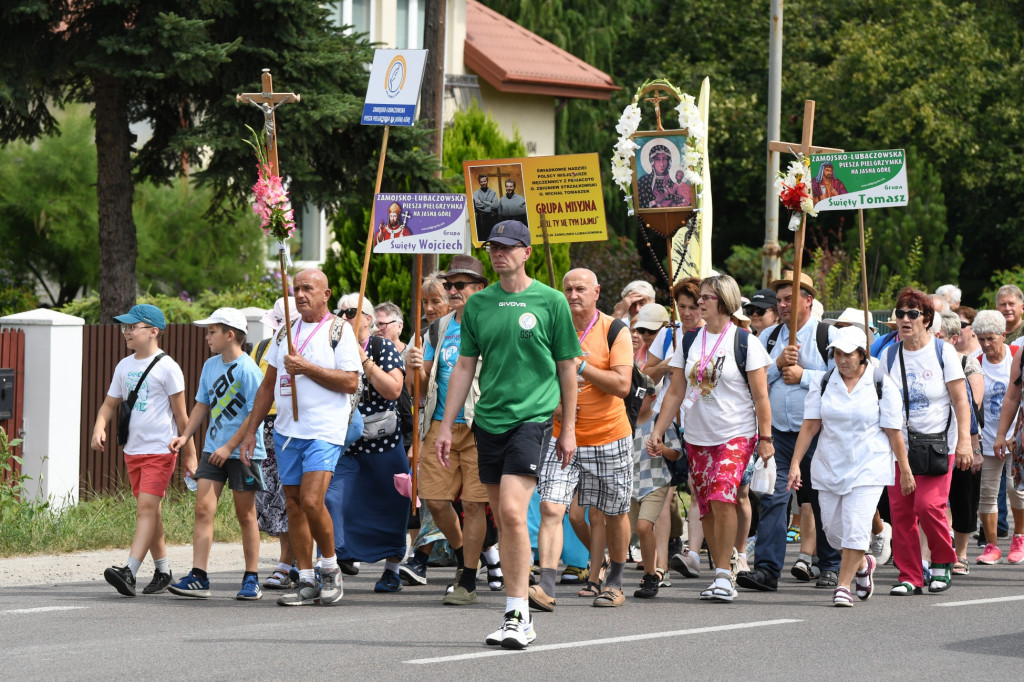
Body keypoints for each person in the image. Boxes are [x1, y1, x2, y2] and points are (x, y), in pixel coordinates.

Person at [436, 219, 580, 649]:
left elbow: (567, 367)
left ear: (526, 252)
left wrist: (568, 428)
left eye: (507, 247)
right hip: (488, 422)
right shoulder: (479, 306)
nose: (498, 253)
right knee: (503, 516)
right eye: (493, 247)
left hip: (532, 419)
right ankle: (513, 612)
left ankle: (519, 613)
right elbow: (464, 367)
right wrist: (447, 424)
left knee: (515, 513)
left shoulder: (551, 301)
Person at [239, 269, 361, 607]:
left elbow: (350, 382)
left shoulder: (340, 331)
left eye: (308, 288)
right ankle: (305, 577)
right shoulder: (284, 333)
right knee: (292, 505)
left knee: (311, 500)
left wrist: (308, 368)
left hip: (324, 429)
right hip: (287, 431)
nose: (301, 294)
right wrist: (250, 433)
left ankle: (330, 570)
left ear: (326, 293)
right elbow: (267, 387)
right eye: (296, 289)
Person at [649, 274, 775, 602]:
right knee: (705, 506)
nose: (700, 302)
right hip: (697, 436)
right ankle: (721, 567)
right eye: (700, 297)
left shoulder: (745, 342)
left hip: (736, 433)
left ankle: (723, 575)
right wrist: (659, 430)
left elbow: (761, 397)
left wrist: (766, 438)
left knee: (722, 495)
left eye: (706, 297)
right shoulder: (691, 341)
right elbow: (676, 390)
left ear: (724, 301)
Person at [786, 326, 914, 606]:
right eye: (837, 354)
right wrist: (795, 463)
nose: (842, 360)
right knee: (833, 533)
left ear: (862, 355)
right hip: (830, 463)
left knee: (856, 526)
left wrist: (904, 470)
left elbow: (894, 432)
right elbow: (809, 426)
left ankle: (843, 586)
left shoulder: (881, 382)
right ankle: (863, 563)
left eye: (848, 354)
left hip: (870, 464)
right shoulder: (824, 382)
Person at [532, 268, 633, 610]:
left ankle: (615, 581)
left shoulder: (615, 330)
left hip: (608, 436)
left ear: (596, 292)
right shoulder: (551, 329)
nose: (573, 295)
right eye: (568, 289)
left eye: (580, 289)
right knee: (551, 506)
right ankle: (546, 586)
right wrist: (554, 403)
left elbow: (622, 386)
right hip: (562, 436)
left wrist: (580, 367)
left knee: (615, 512)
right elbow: (538, 378)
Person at [737, 270, 840, 592]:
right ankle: (767, 570)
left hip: (818, 433)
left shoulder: (828, 335)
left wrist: (805, 375)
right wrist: (777, 364)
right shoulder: (767, 338)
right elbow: (753, 383)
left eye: (788, 299)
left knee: (823, 498)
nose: (781, 305)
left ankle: (831, 566)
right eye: (779, 300)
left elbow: (843, 381)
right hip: (778, 434)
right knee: (772, 497)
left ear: (808, 301)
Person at [401, 255, 492, 603]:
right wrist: (414, 367)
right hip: (438, 425)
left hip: (477, 424)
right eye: (449, 285)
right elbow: (419, 389)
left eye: (460, 286)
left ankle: (467, 577)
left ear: (480, 289)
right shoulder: (436, 330)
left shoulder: (490, 324)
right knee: (436, 501)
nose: (453, 291)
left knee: (473, 504)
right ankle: (465, 555)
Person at [91, 304, 195, 597]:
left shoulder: (168, 367)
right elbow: (110, 404)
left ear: (153, 331)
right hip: (133, 452)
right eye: (124, 327)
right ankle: (163, 571)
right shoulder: (124, 366)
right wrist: (99, 426)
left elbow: (182, 417)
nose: (126, 332)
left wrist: (189, 455)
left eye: (132, 327)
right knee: (152, 512)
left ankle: (129, 571)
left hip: (161, 451)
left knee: (146, 509)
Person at [167, 308, 266, 600]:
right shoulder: (210, 366)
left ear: (230, 334)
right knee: (203, 509)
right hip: (213, 450)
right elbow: (201, 405)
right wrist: (185, 436)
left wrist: (229, 447)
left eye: (212, 331)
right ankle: (199, 576)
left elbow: (253, 414)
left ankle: (251, 578)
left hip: (244, 452)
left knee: (246, 514)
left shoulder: (250, 370)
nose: (207, 336)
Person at [879, 288, 972, 595]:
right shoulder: (889, 355)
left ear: (927, 319)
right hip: (899, 447)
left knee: (929, 505)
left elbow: (961, 401)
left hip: (937, 445)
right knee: (902, 512)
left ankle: (943, 561)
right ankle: (910, 575)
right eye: (900, 313)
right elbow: (881, 402)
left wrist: (964, 443)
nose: (905, 319)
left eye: (912, 314)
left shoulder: (942, 352)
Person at [325, 294, 411, 593]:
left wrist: (364, 360)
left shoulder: (380, 346)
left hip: (383, 444)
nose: (345, 316)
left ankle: (392, 569)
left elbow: (393, 389)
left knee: (391, 506)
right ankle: (334, 559)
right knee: (334, 500)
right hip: (346, 445)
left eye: (352, 312)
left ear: (368, 319)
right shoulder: (333, 348)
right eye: (342, 312)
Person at [252, 297, 299, 590]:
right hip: (264, 429)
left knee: (291, 497)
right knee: (270, 499)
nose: (276, 330)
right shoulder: (261, 348)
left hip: (293, 427)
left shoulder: (303, 348)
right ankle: (290, 560)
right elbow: (259, 390)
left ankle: (289, 563)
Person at [971, 310, 1024, 565]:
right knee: (987, 493)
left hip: (1016, 436)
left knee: (1016, 491)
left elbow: (1015, 397)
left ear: (1004, 335)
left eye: (990, 338)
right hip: (988, 437)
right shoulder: (975, 361)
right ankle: (992, 545)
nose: (986, 344)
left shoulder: (1016, 356)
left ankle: (1019, 538)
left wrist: (1013, 434)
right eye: (981, 339)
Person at [935, 311, 983, 576]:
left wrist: (973, 448)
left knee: (963, 498)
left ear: (952, 339)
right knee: (933, 502)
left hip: (961, 441)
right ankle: (937, 552)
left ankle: (961, 554)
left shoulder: (966, 363)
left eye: (939, 336)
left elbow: (971, 409)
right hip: (930, 443)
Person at [629, 375, 681, 599]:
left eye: (639, 398)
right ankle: (612, 575)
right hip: (630, 484)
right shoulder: (626, 421)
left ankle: (651, 574)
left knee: (643, 527)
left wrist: (662, 449)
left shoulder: (660, 421)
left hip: (655, 482)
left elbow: (676, 452)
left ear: (652, 398)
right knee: (627, 533)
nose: (633, 402)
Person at [636, 144, 689, 209]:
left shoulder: (672, 180)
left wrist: (679, 199)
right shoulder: (644, 181)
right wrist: (655, 201)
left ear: (669, 161)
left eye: (665, 159)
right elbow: (639, 205)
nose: (661, 164)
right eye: (658, 159)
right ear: (652, 161)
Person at [473, 174, 499, 242]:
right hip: (481, 221)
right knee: (482, 241)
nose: (483, 183)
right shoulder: (476, 193)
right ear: (479, 182)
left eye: (484, 181)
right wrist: (490, 206)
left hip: (491, 220)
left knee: (491, 240)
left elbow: (496, 205)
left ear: (487, 181)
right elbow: (477, 206)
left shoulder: (493, 193)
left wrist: (483, 202)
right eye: (481, 182)